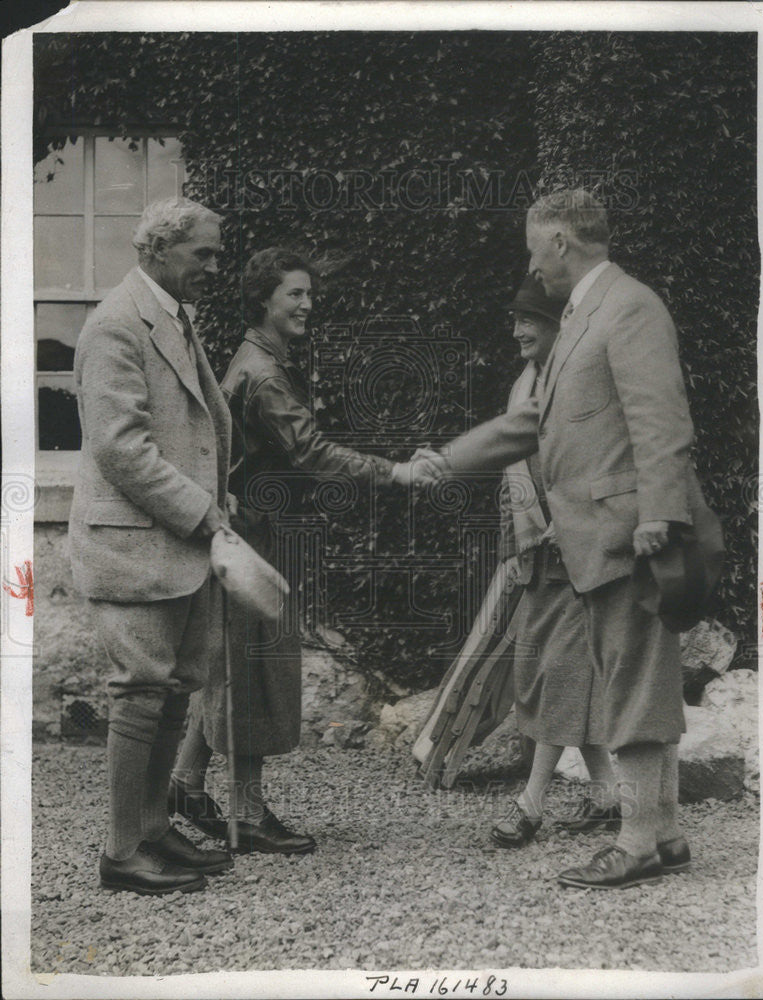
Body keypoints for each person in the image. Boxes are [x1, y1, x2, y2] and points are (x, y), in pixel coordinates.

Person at [436, 188, 707, 889]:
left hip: (628, 535)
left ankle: (638, 843)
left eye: (533, 250)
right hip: (598, 535)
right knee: (636, 682)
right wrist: (442, 461)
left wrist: (659, 517)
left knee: (633, 687)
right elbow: (532, 425)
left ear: (559, 241)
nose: (532, 266)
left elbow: (662, 419)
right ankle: (667, 834)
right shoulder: (585, 312)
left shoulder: (629, 305)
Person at [170, 246, 440, 854]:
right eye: (295, 293)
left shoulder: (255, 357)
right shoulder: (264, 373)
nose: (308, 303)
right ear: (264, 299)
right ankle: (248, 814)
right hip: (255, 536)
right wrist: (396, 473)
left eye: (310, 293)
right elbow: (313, 452)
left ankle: (185, 783)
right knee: (255, 671)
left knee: (233, 664)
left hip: (247, 532)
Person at [69, 197, 234, 895]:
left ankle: (152, 830)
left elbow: (191, 433)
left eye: (218, 254)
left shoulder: (172, 317)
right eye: (204, 253)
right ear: (158, 250)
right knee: (140, 694)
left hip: (178, 541)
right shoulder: (114, 323)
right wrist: (204, 512)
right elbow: (121, 448)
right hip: (135, 544)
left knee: (173, 693)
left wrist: (216, 502)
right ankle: (120, 852)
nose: (214, 267)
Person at [488, 276, 619, 849]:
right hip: (538, 550)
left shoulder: (577, 383)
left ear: (556, 327)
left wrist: (573, 526)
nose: (517, 331)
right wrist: (519, 542)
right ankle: (611, 796)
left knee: (561, 674)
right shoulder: (526, 384)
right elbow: (511, 469)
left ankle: (530, 805)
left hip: (578, 548)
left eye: (529, 322)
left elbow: (596, 464)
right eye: (515, 321)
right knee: (551, 672)